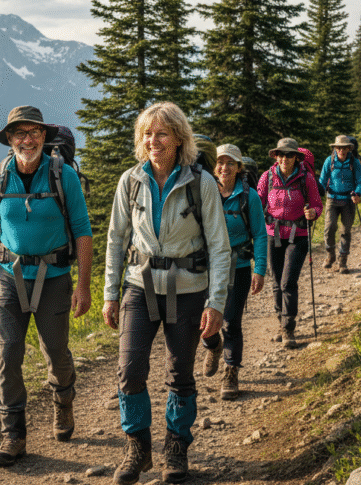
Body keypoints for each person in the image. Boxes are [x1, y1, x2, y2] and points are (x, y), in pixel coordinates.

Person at [102, 102, 230, 485]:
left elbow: (220, 248)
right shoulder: (130, 181)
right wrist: (110, 293)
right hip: (140, 287)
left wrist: (217, 303)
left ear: (178, 139)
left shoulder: (202, 184)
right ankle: (138, 447)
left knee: (180, 374)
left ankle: (176, 447)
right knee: (129, 370)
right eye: (147, 134)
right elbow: (115, 239)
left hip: (189, 289)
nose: (153, 141)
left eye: (161, 134)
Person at [0, 106, 93, 467]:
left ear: (44, 136)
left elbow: (83, 231)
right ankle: (13, 435)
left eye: (33, 132)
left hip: (54, 278)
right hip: (9, 279)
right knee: (8, 355)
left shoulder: (63, 176)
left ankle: (63, 401)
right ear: (9, 139)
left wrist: (83, 286)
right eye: (19, 133)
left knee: (55, 352)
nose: (27, 139)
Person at [201, 144, 268, 401]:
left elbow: (260, 234)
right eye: (220, 162)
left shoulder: (249, 197)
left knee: (230, 321)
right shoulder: (206, 192)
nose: (224, 168)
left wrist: (259, 269)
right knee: (201, 318)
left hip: (238, 267)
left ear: (239, 167)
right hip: (206, 267)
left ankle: (231, 370)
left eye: (230, 163)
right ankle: (213, 346)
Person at [257, 138, 322, 348]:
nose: (285, 159)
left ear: (296, 157)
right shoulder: (267, 177)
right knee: (276, 282)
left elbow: (317, 205)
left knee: (287, 282)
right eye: (281, 154)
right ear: (276, 156)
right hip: (272, 233)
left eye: (289, 155)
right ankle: (281, 322)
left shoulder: (307, 179)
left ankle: (288, 328)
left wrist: (313, 213)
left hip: (298, 234)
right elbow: (257, 203)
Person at [318, 136, 361, 274]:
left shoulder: (354, 162)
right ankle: (330, 254)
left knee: (345, 231)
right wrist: (317, 193)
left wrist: (357, 193)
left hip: (348, 200)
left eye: (344, 148)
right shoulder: (329, 161)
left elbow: (360, 181)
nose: (341, 150)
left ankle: (342, 262)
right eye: (339, 147)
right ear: (335, 148)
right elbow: (322, 180)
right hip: (332, 199)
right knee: (329, 227)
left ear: (349, 148)